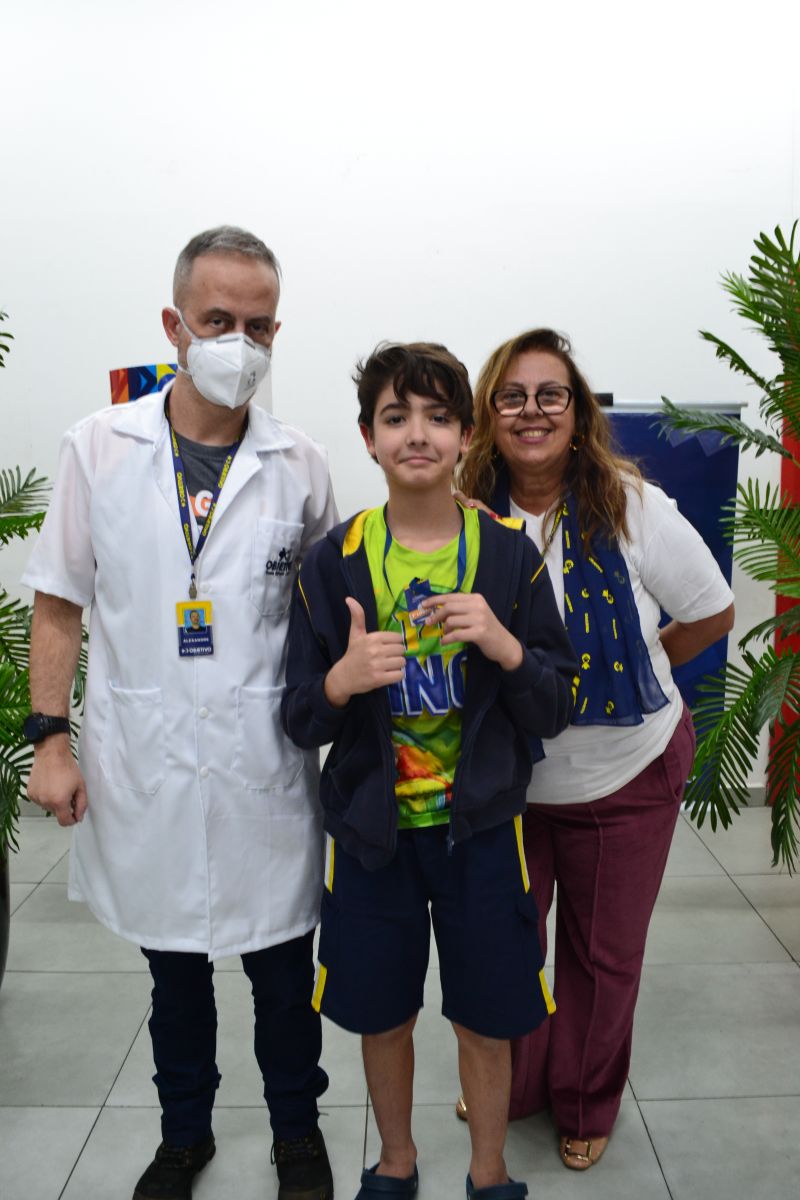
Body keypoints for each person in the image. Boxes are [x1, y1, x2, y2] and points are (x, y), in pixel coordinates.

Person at [23, 226, 338, 1200]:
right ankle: (183, 1136)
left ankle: (296, 1133)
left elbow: (329, 614)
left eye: (258, 325)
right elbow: (58, 603)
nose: (238, 343)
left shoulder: (301, 464)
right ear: (174, 324)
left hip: (264, 769)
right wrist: (50, 743)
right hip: (148, 761)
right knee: (176, 979)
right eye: (217, 320)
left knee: (284, 978)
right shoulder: (98, 447)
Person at [281, 342, 578, 1200]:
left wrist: (504, 644)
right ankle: (397, 1161)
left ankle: (489, 1172)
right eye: (396, 416)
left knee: (487, 1017)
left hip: (480, 833)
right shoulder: (331, 563)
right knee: (384, 1014)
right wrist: (340, 681)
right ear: (367, 437)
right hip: (373, 837)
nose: (418, 434)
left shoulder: (509, 557)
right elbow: (298, 716)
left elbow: (555, 703)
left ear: (466, 435)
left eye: (439, 417)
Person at [455, 328, 735, 1171]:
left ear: (578, 412)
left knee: (602, 959)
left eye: (552, 394)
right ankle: (511, 1080)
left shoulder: (631, 506)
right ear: (488, 413)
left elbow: (712, 612)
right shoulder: (461, 513)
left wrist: (637, 673)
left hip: (626, 777)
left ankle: (583, 1099)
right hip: (508, 784)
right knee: (508, 948)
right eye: (512, 396)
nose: (532, 411)